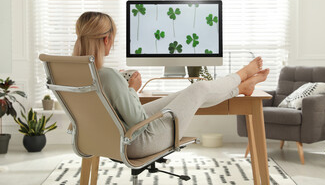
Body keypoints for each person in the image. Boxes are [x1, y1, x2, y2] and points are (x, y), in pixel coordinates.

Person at [73, 11, 270, 158]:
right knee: (199, 88)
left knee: (186, 95)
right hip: (137, 142)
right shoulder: (108, 76)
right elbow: (137, 123)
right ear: (107, 39)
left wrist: (123, 89)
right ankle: (243, 74)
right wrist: (131, 89)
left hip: (108, 141)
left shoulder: (75, 75)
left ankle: (241, 88)